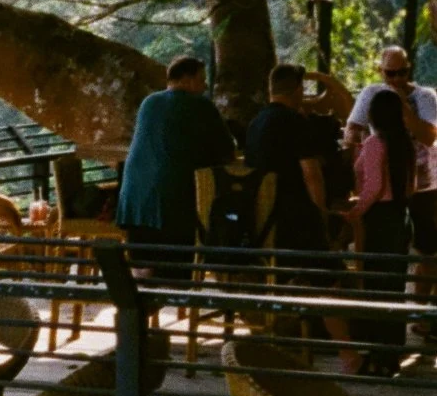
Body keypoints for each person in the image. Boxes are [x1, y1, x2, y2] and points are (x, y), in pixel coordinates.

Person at [244, 62, 355, 368]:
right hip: (295, 221)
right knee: (330, 276)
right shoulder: (294, 122)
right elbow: (312, 175)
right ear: (296, 91)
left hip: (262, 223)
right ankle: (350, 354)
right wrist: (322, 214)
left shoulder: (255, 124)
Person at [117, 54, 237, 282]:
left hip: (135, 203)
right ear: (188, 79)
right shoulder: (200, 105)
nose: (204, 87)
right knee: (176, 269)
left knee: (142, 267)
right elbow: (227, 152)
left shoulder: (149, 102)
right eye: (201, 80)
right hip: (172, 206)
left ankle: (136, 307)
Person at [344, 45, 436, 322]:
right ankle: (381, 316)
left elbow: (430, 137)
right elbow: (353, 129)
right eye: (390, 73)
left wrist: (404, 109)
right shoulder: (371, 94)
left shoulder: (425, 96)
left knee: (428, 248)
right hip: (385, 188)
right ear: (380, 71)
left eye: (402, 72)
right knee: (384, 256)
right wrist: (360, 166)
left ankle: (418, 313)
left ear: (410, 69)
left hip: (424, 183)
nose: (396, 79)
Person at [344, 86, 415, 377]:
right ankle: (392, 351)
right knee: (394, 285)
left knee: (376, 284)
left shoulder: (375, 143)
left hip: (379, 218)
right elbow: (410, 185)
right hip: (400, 216)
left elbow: (372, 185)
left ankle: (377, 352)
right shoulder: (404, 143)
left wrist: (356, 211)